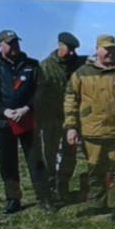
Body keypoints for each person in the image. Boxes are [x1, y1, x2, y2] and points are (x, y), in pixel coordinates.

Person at [63, 32, 115, 218]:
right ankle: (96, 204)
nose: (110, 53)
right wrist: (71, 127)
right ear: (97, 49)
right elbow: (70, 99)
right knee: (94, 171)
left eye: (112, 49)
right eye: (106, 49)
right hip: (91, 132)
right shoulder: (82, 73)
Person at [0, 28, 50, 214]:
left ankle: (44, 197)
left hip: (28, 120)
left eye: (16, 42)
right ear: (0, 45)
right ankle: (13, 199)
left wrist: (26, 108)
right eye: (9, 43)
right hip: (3, 123)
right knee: (8, 163)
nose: (14, 46)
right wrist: (4, 111)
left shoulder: (32, 65)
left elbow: (41, 91)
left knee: (35, 160)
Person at [34, 29, 80, 203]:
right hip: (50, 118)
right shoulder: (45, 66)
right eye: (69, 49)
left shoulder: (77, 64)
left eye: (74, 50)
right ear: (60, 46)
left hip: (71, 119)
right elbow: (39, 96)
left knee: (70, 154)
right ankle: (51, 188)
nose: (72, 53)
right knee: (50, 155)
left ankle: (64, 187)